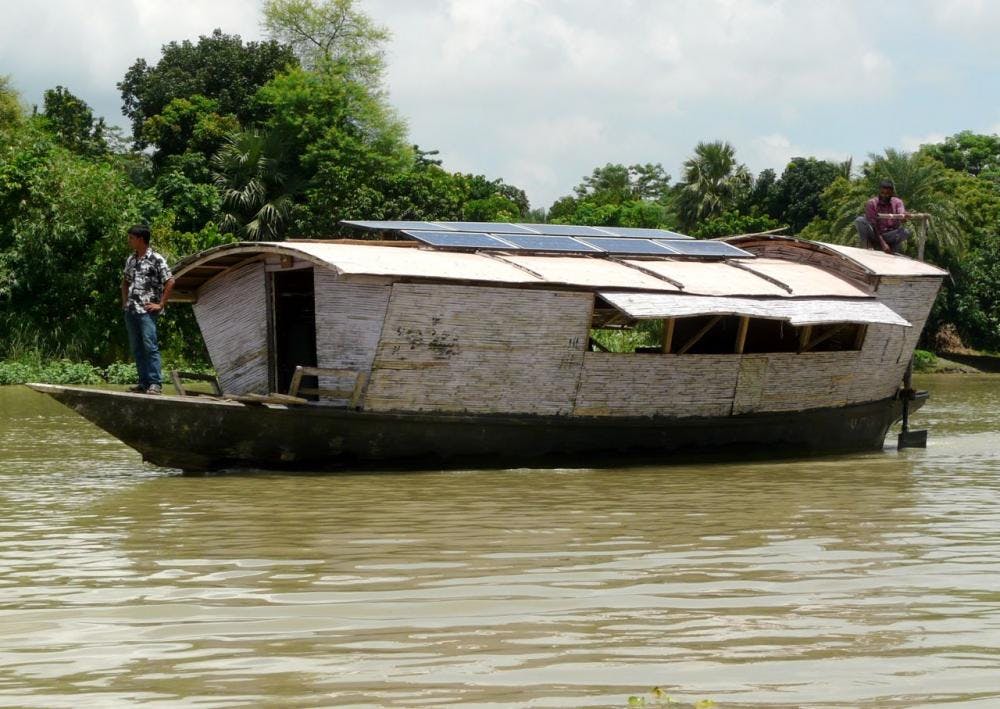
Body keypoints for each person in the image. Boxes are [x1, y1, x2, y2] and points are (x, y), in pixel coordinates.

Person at [121, 224, 174, 395]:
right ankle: (143, 383)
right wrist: (125, 303)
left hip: (147, 311)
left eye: (131, 238)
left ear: (141, 239)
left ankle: (155, 383)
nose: (129, 241)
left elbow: (170, 281)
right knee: (137, 348)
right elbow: (125, 282)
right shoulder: (131, 259)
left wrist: (161, 304)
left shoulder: (156, 259)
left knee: (150, 346)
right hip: (131, 311)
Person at [853, 179, 909, 254]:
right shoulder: (872, 203)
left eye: (888, 193)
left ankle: (892, 247)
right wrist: (883, 243)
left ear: (892, 193)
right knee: (860, 220)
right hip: (875, 233)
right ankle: (867, 245)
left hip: (889, 235)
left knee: (905, 232)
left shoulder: (897, 202)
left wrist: (903, 216)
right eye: (882, 193)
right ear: (879, 191)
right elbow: (873, 225)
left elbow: (901, 212)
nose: (885, 195)